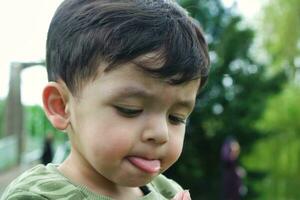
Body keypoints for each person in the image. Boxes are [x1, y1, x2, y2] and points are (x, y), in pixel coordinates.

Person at [1, 0, 210, 199]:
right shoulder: (37, 195)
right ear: (61, 106)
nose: (161, 133)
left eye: (177, 117)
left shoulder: (169, 191)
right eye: (130, 109)